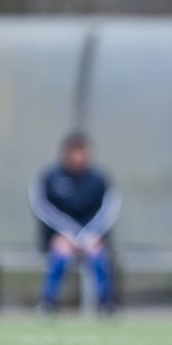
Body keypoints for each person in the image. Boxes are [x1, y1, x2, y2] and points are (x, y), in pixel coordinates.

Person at [29, 132, 120, 315]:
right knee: (60, 254)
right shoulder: (51, 178)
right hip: (60, 237)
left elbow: (108, 211)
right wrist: (68, 233)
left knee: (98, 255)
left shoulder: (98, 180)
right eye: (74, 152)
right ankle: (48, 304)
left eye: (83, 152)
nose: (78, 157)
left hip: (92, 237)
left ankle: (106, 305)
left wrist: (87, 236)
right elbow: (42, 208)